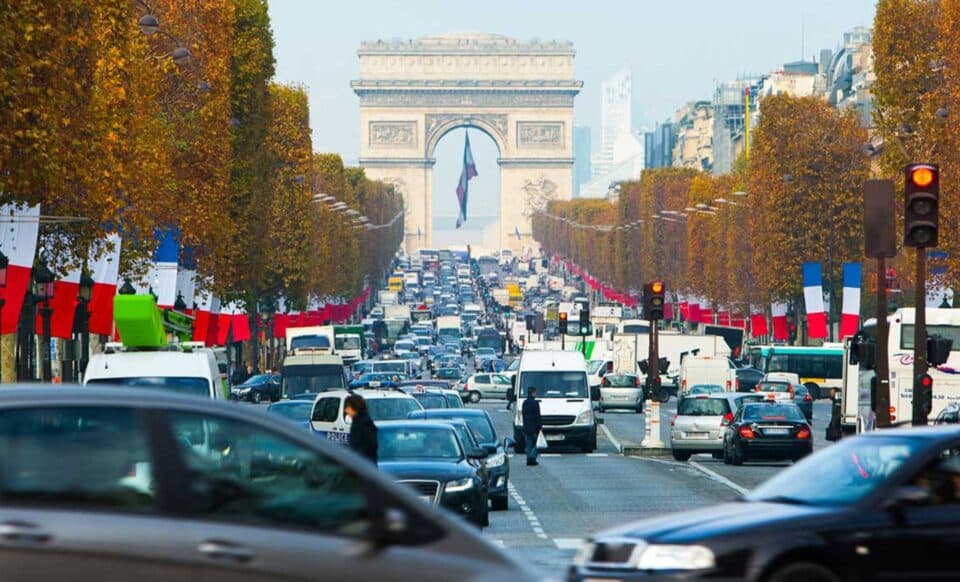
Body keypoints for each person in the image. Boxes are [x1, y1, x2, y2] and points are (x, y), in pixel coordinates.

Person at [345, 394, 378, 463]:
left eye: (348, 407)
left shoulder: (365, 423)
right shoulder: (357, 422)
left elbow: (369, 446)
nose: (346, 410)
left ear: (355, 407)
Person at [521, 387, 543, 466]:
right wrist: (539, 427)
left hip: (526, 427)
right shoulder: (535, 403)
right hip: (534, 428)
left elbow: (523, 414)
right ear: (533, 393)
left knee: (528, 445)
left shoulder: (524, 403)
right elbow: (537, 416)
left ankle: (528, 459)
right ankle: (532, 457)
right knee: (538, 444)